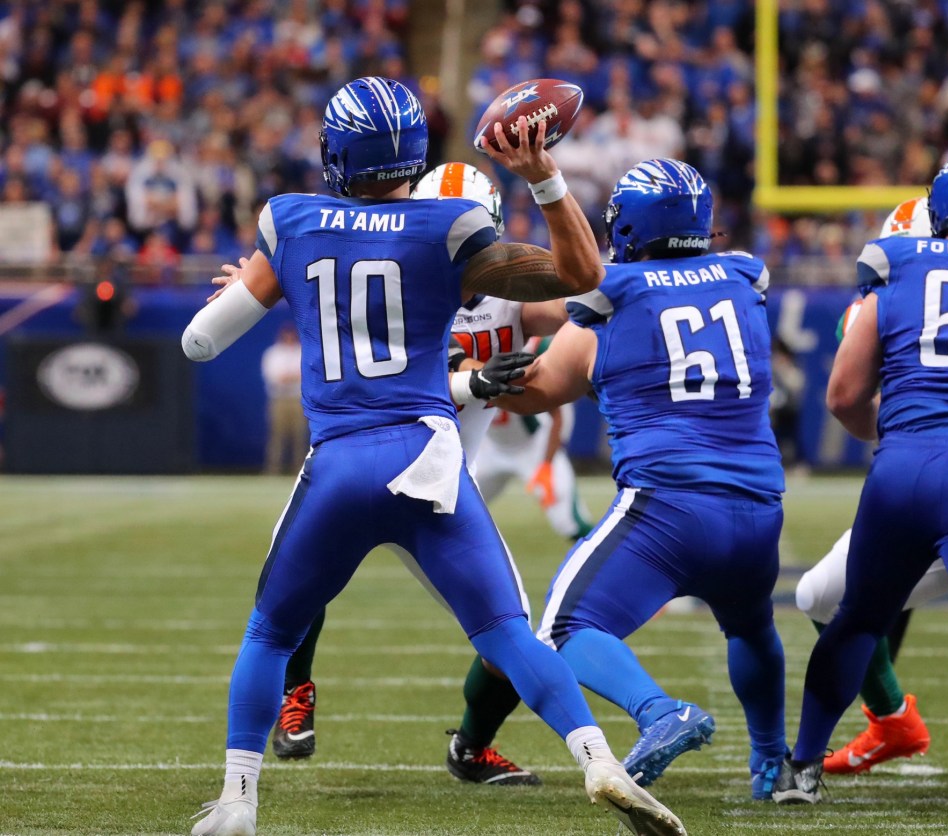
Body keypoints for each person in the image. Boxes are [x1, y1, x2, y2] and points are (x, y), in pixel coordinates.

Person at [181, 78, 684, 836]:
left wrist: (267, 283)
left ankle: (237, 801)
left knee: (271, 634)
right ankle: (600, 761)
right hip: (429, 460)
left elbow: (200, 341)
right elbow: (583, 276)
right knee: (508, 633)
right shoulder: (447, 227)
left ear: (337, 152)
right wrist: (543, 176)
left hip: (340, 461)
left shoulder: (290, 221)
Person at [476, 159, 789, 800]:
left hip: (668, 508)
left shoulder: (611, 296)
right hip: (759, 506)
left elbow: (537, 390)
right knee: (752, 627)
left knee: (563, 628)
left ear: (629, 226)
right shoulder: (745, 276)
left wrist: (468, 364)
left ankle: (658, 711)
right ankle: (772, 764)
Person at [266, 161, 570, 790]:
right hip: (360, 454)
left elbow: (584, 303)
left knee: (513, 645)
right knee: (290, 586)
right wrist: (249, 286)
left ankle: (471, 746)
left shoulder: (509, 293)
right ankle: (296, 692)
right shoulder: (391, 280)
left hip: (441, 489)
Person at [774, 149, 948, 804]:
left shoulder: (896, 262)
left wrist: (904, 432)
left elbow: (842, 396)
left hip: (904, 470)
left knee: (854, 618)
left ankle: (802, 767)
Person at [794, 197, 939, 776]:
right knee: (820, 594)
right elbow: (847, 395)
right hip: (925, 490)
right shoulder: (879, 307)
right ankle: (891, 721)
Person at [473, 337, 594, 544]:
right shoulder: (465, 344)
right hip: (489, 446)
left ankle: (608, 558)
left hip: (535, 448)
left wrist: (547, 464)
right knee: (451, 509)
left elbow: (559, 413)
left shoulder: (534, 347)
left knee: (568, 521)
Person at [260, 322, 307, 475]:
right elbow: (275, 377)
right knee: (277, 435)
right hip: (279, 399)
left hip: (297, 399)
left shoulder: (302, 351)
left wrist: (289, 377)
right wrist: (291, 376)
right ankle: (273, 469)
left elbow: (304, 375)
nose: (288, 338)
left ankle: (299, 470)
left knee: (299, 436)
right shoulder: (273, 353)